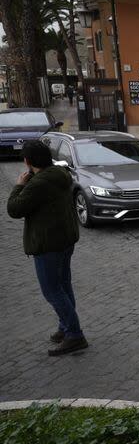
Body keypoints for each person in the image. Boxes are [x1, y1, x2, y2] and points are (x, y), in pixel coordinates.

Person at [7, 140, 86, 356]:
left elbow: (14, 209)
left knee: (52, 291)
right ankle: (65, 327)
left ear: (27, 161)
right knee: (63, 285)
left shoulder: (37, 184)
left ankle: (74, 334)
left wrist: (19, 185)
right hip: (65, 239)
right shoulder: (60, 175)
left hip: (48, 243)